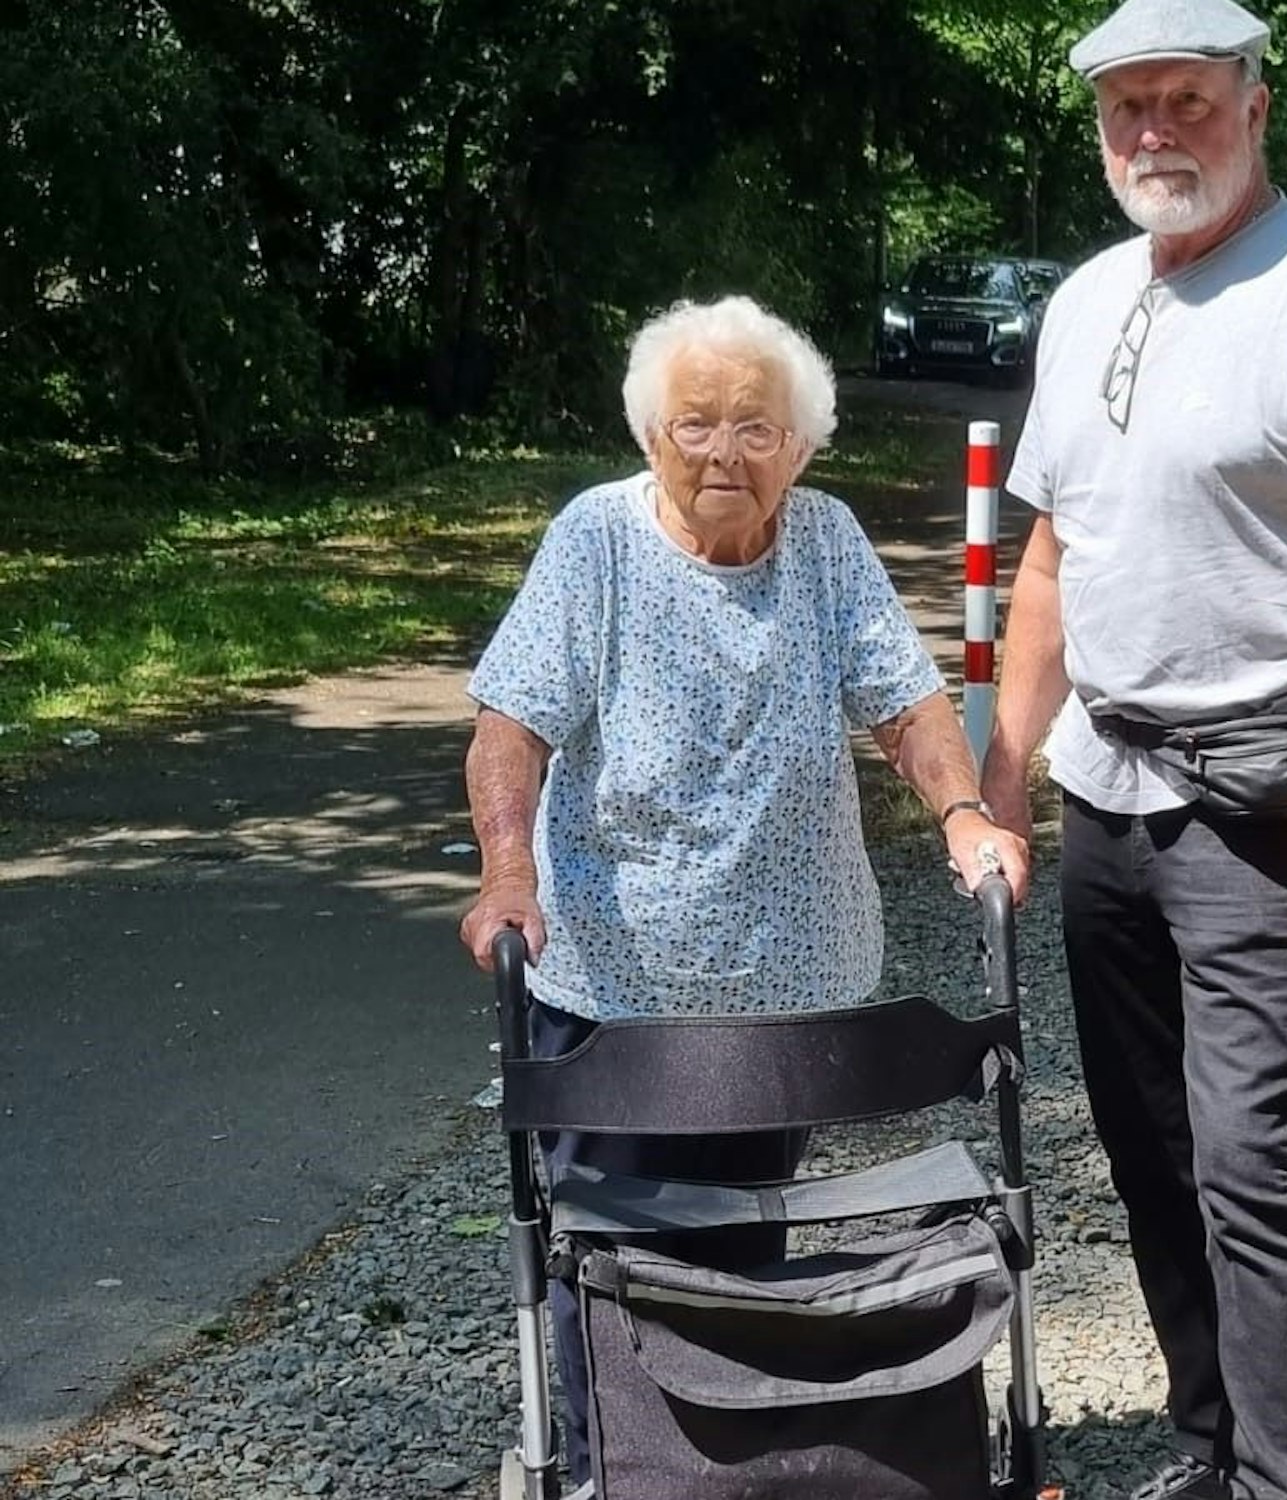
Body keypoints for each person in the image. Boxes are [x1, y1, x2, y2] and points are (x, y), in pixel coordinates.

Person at [979, 2, 1287, 1497]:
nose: (1154, 133)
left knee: (1248, 1164)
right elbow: (1053, 564)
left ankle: (1285, 1480)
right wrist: (998, 779)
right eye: (1127, 108)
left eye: (1185, 102)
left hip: (1269, 797)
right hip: (1105, 793)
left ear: (1255, 107)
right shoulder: (1084, 301)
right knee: (1143, 1151)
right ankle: (1209, 1447)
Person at [458, 294, 1029, 1488]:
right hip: (616, 988)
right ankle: (611, 1457)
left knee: (743, 1236)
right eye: (695, 423)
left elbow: (904, 703)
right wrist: (508, 873)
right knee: (610, 1245)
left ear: (802, 444)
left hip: (791, 981)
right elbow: (509, 725)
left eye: (755, 426)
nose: (723, 450)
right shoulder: (596, 542)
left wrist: (963, 810)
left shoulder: (822, 539)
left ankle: (728, 1456)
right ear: (647, 434)